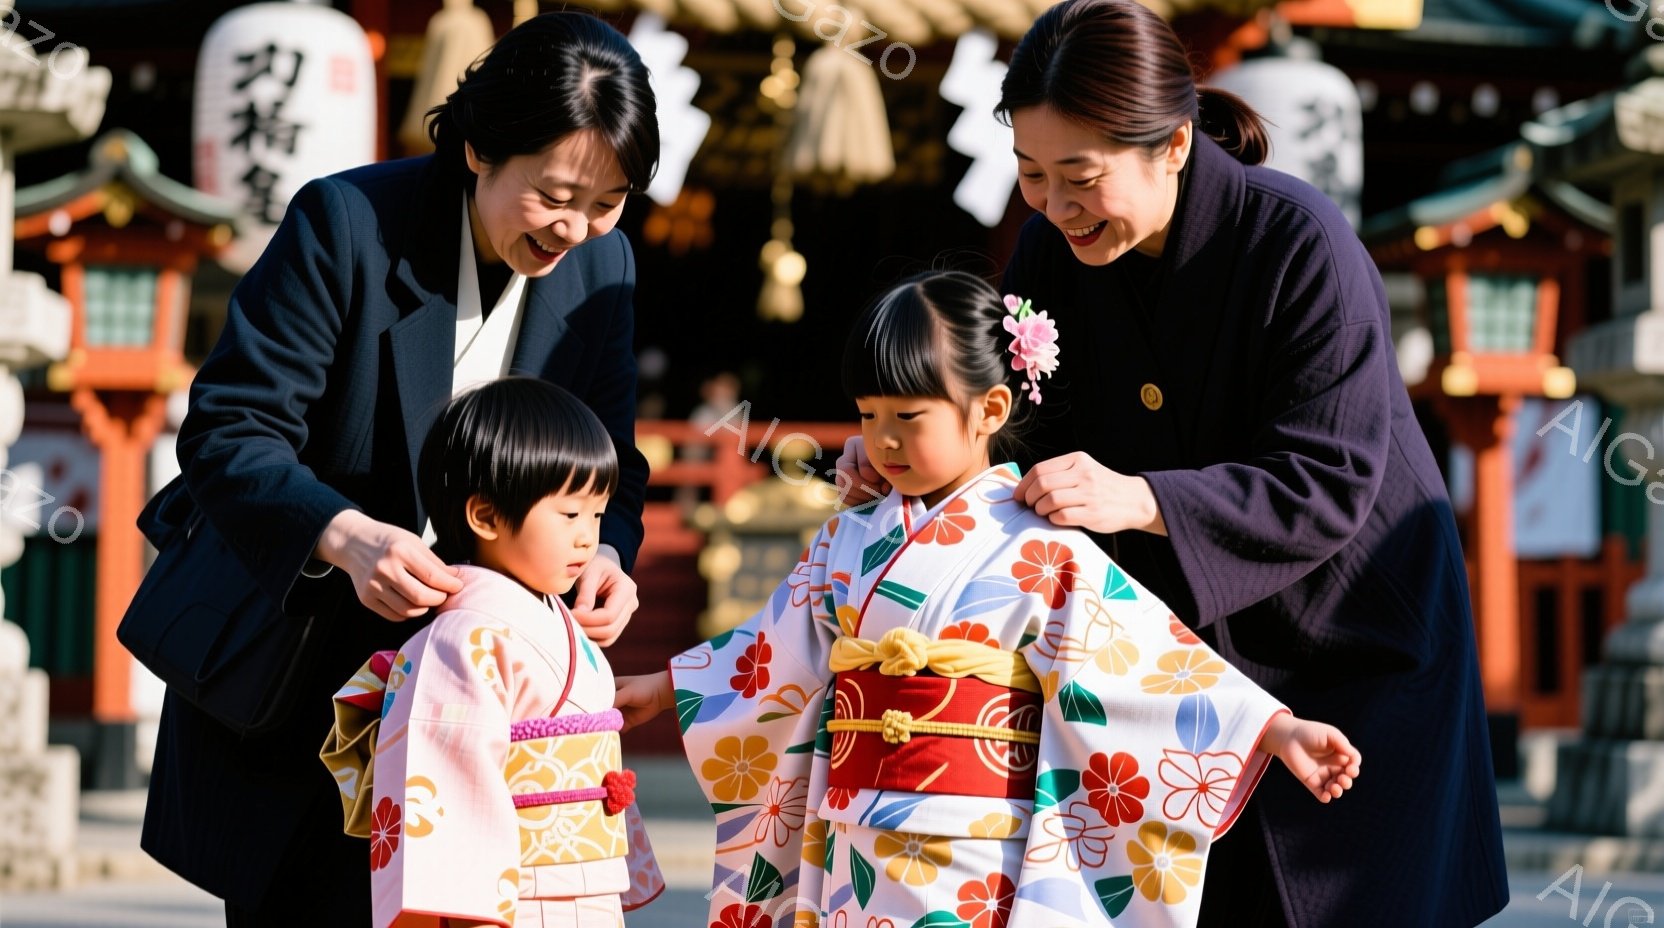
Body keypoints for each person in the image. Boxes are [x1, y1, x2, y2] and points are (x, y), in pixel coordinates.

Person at [833, 2, 1508, 924]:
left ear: (1174, 145)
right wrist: (908, 444)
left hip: (1353, 642)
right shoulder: (1048, 248)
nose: (1057, 206)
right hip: (1178, 666)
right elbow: (1014, 418)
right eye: (1031, 176)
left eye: (1081, 176)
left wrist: (1142, 497)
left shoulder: (1300, 244)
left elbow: (1327, 478)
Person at [616, 270, 1360, 928]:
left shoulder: (1041, 547)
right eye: (869, 416)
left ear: (991, 408)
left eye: (909, 419)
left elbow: (1145, 665)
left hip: (975, 848)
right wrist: (664, 687)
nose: (883, 441)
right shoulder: (845, 542)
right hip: (849, 844)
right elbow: (773, 655)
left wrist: (1272, 730)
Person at [137, 13, 658, 925]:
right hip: (311, 675)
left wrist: (607, 550)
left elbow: (610, 454)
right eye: (554, 194)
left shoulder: (602, 266)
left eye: (607, 201)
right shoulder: (346, 223)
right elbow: (230, 427)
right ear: (480, 149)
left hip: (490, 712)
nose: (576, 228)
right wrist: (344, 536)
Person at [320, 378, 664, 927]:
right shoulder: (463, 639)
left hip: (586, 884)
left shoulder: (558, 623)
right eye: (569, 515)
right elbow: (447, 790)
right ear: (484, 517)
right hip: (513, 897)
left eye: (597, 516)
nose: (587, 538)